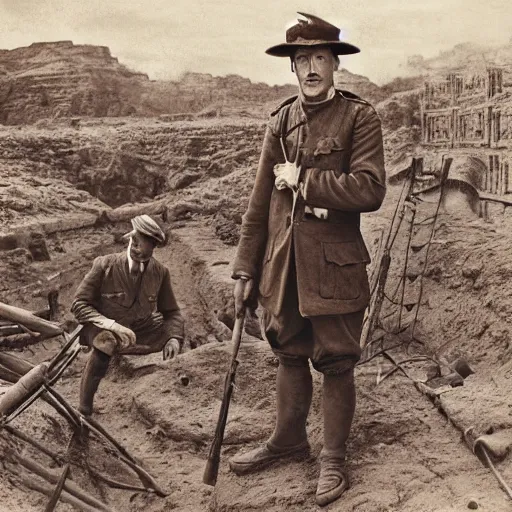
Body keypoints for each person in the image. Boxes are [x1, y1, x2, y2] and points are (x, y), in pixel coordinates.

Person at [229, 12, 386, 507]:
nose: (312, 68)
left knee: (336, 359)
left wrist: (307, 181)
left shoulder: (360, 117)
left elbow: (370, 188)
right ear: (292, 69)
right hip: (284, 266)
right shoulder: (280, 121)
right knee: (289, 351)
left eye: (321, 57)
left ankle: (333, 459)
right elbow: (259, 206)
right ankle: (288, 439)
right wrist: (244, 268)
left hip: (334, 265)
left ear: (336, 65)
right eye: (302, 60)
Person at [71, 214, 184, 416]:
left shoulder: (160, 272)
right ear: (130, 238)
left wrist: (173, 339)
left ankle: (168, 404)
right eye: (135, 244)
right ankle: (84, 409)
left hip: (139, 329)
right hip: (103, 326)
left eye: (144, 250)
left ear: (153, 248)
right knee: (105, 342)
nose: (137, 252)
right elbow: (79, 305)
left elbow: (172, 312)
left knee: (179, 334)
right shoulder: (104, 265)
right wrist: (112, 325)